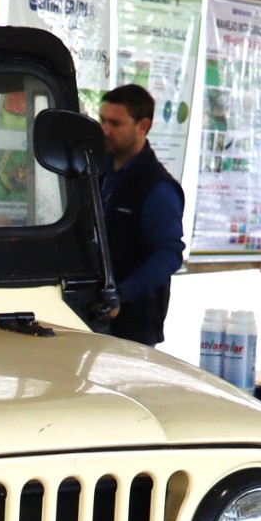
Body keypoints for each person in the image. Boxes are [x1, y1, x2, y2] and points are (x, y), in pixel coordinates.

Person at [93, 84, 186, 347]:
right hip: (93, 315)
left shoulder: (157, 188)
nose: (105, 130)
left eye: (116, 123)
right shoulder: (100, 173)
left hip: (132, 326)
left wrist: (121, 294)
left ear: (142, 126)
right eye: (102, 120)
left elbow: (169, 254)